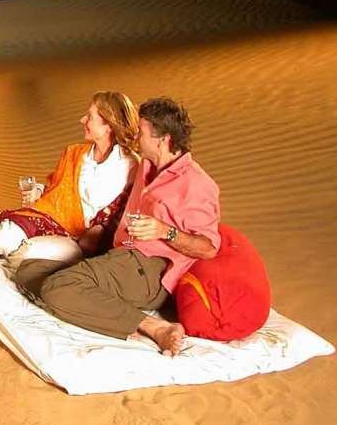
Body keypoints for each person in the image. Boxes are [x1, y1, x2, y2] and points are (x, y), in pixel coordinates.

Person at [16, 97, 220, 356]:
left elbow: (208, 248)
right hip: (120, 257)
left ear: (163, 140)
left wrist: (164, 231)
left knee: (58, 288)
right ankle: (107, 312)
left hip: (150, 269)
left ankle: (154, 328)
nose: (135, 138)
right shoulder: (146, 165)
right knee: (29, 272)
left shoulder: (196, 184)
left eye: (141, 133)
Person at [0, 91, 139, 256]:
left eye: (90, 117)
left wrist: (99, 231)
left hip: (86, 240)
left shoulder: (131, 165)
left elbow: (126, 212)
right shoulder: (75, 153)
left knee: (27, 253)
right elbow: (55, 191)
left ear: (108, 126)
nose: (82, 119)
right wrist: (38, 192)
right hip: (52, 220)